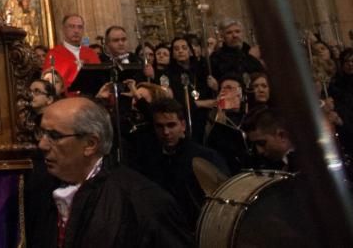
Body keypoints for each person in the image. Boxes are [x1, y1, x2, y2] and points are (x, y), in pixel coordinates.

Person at [27, 97, 192, 247]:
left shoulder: (144, 202)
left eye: (54, 136)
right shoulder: (37, 189)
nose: (42, 145)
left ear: (90, 144)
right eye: (42, 133)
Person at [133, 98, 228, 227]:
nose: (166, 132)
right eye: (160, 126)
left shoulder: (206, 156)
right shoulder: (147, 157)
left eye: (171, 125)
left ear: (183, 125)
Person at [42, 14, 101, 89]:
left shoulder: (91, 53)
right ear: (63, 29)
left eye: (80, 27)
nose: (76, 31)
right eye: (71, 26)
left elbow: (100, 79)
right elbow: (49, 85)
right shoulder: (54, 54)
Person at [242, 106, 295, 171]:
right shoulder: (275, 161)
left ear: (282, 135)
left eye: (262, 143)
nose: (259, 151)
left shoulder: (307, 160)